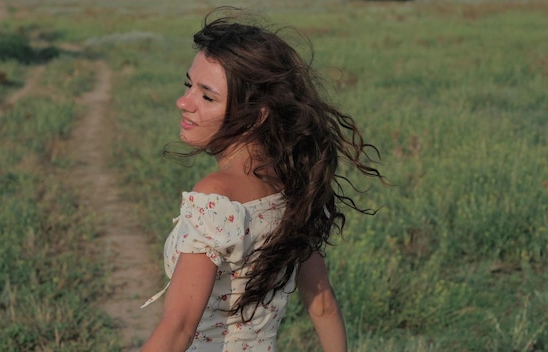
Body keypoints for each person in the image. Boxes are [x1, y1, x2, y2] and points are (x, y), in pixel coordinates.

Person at [141, 7, 383, 352]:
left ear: (256, 115)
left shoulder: (214, 198)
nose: (184, 102)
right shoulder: (294, 184)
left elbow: (179, 326)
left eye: (207, 96)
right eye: (188, 85)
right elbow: (323, 302)